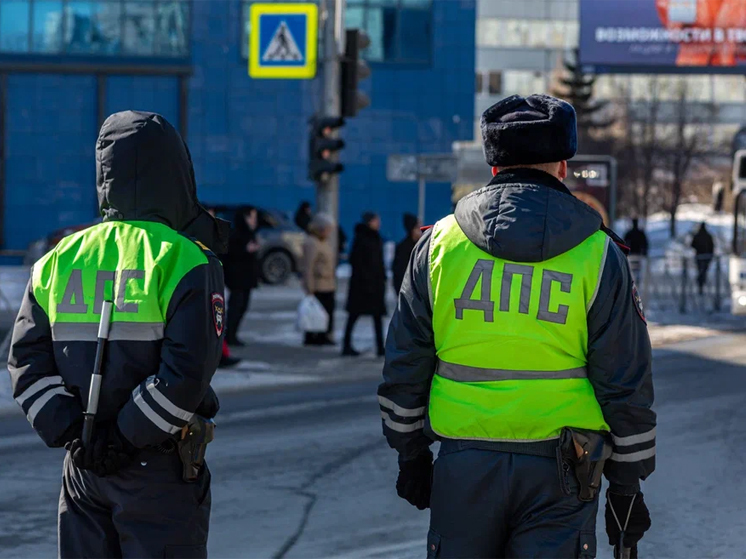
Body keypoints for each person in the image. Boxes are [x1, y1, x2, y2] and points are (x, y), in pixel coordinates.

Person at [379, 94, 656, 558]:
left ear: (493, 168)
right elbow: (625, 377)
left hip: (463, 465)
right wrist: (626, 485)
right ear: (563, 166)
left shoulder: (439, 245)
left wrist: (410, 454)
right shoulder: (597, 253)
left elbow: (405, 359)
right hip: (566, 473)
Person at [7, 111, 226, 557]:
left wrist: (75, 435)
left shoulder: (59, 257)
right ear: (177, 172)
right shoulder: (186, 259)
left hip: (82, 471)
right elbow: (185, 372)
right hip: (157, 471)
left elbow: (25, 365)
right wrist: (125, 438)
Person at [343, 212, 387, 357]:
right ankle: (346, 345)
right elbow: (358, 262)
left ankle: (380, 347)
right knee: (354, 315)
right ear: (370, 222)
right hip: (363, 286)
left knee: (376, 317)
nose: (378, 223)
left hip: (375, 285)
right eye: (376, 220)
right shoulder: (362, 238)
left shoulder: (375, 238)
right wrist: (367, 281)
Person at [224, 206, 260, 346]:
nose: (254, 221)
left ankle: (233, 334)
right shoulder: (236, 234)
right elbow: (230, 256)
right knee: (235, 307)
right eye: (251, 217)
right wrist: (245, 250)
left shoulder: (250, 234)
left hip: (246, 279)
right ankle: (229, 335)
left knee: (243, 306)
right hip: (237, 279)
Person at [302, 213, 337, 346]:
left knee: (327, 312)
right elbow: (308, 267)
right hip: (318, 284)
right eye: (328, 229)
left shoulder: (324, 242)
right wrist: (309, 287)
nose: (329, 232)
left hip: (328, 284)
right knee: (316, 312)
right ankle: (313, 337)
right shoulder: (312, 243)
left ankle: (323, 335)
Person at [392, 213, 421, 295]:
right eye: (417, 227)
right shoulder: (403, 248)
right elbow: (400, 273)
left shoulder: (421, 246)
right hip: (408, 292)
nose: (420, 230)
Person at [691, 221, 715, 295]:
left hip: (699, 256)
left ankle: (700, 282)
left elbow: (692, 245)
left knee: (700, 270)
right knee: (703, 270)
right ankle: (701, 282)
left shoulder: (697, 235)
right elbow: (712, 246)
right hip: (706, 256)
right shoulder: (708, 236)